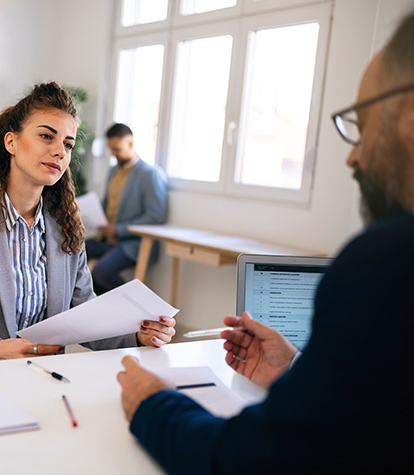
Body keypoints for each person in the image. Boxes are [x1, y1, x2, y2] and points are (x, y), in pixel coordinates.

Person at [116, 10, 414, 474]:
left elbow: (252, 458)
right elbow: (376, 417)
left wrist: (153, 404)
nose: (353, 157)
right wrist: (296, 373)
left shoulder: (387, 262)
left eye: (363, 125)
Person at [0, 83, 176, 366]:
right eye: (47, 136)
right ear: (11, 142)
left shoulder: (66, 229)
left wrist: (138, 335)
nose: (60, 151)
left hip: (40, 381)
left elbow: (84, 315)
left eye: (68, 144)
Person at [85, 123, 167, 294]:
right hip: (106, 239)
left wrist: (118, 230)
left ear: (130, 144)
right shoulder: (113, 171)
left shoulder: (150, 175)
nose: (113, 154)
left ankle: (134, 303)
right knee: (72, 252)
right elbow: (106, 204)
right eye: (110, 149)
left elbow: (155, 216)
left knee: (102, 271)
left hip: (131, 243)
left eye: (116, 149)